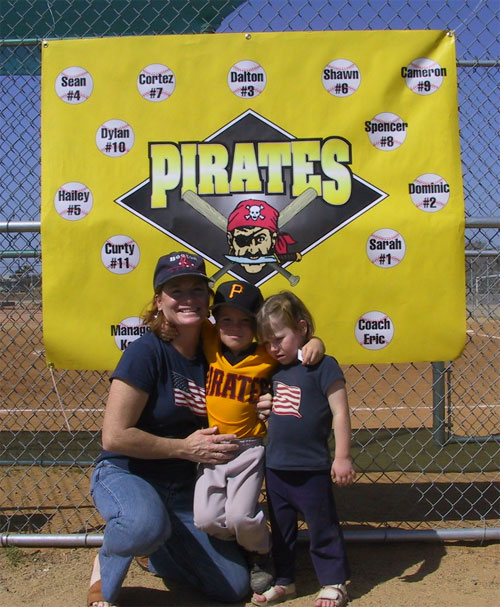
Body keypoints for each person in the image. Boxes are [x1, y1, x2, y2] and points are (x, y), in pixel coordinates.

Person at [87, 252, 270, 607]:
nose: (188, 299)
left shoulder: (219, 350)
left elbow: (284, 343)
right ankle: (105, 570)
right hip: (130, 472)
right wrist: (183, 448)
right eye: (176, 290)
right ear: (159, 301)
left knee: (233, 587)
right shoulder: (147, 352)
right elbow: (115, 436)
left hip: (185, 487)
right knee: (141, 524)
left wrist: (269, 396)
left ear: (209, 298)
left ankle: (155, 546)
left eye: (197, 289)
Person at [189, 280, 324, 595]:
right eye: (226, 319)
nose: (234, 327)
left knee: (241, 516)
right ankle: (242, 545)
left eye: (245, 321)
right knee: (206, 518)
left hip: (249, 449)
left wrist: (315, 342)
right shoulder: (210, 338)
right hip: (212, 448)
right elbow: (187, 320)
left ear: (258, 325)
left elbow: (298, 345)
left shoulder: (267, 354)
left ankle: (261, 552)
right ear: (215, 320)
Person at [252, 291, 356, 607]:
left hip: (311, 466)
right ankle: (285, 581)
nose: (273, 347)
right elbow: (272, 415)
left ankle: (333, 581)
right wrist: (263, 410)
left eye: (279, 339)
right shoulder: (272, 371)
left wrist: (342, 456)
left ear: (301, 328)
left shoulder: (323, 366)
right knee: (281, 531)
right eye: (267, 342)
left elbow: (340, 412)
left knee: (322, 526)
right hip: (276, 466)